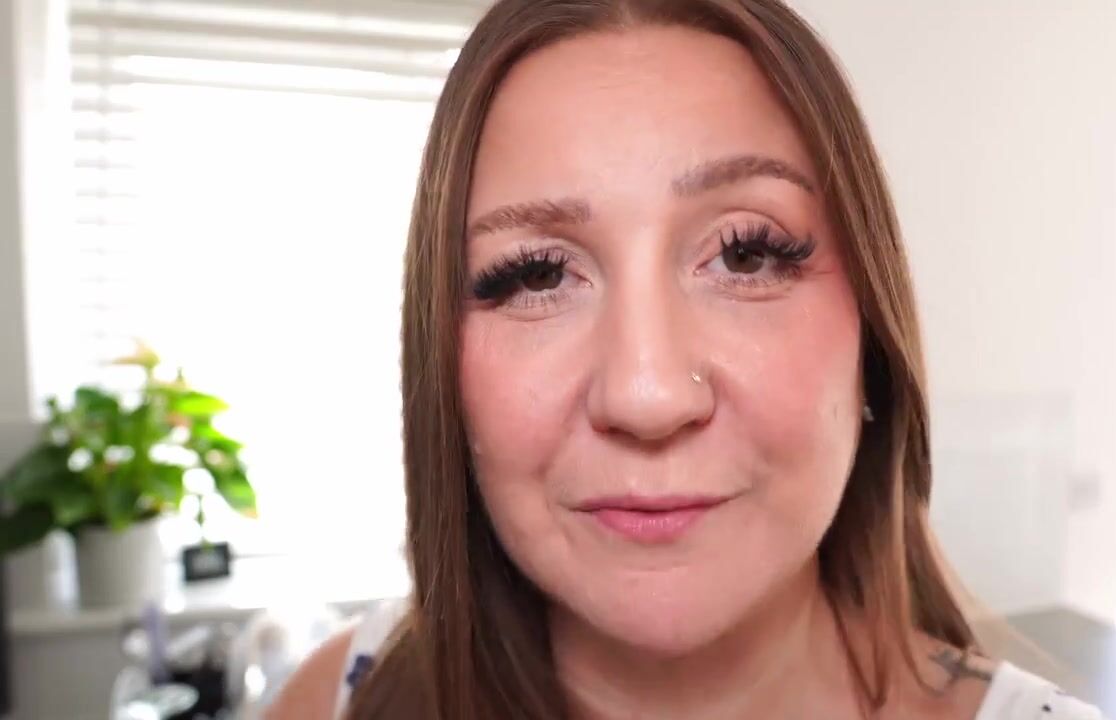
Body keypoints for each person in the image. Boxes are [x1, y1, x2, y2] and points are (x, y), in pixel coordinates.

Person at [268, 0, 1109, 718]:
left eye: (746, 255)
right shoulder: (342, 697)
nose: (648, 394)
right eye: (536, 274)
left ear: (871, 335)